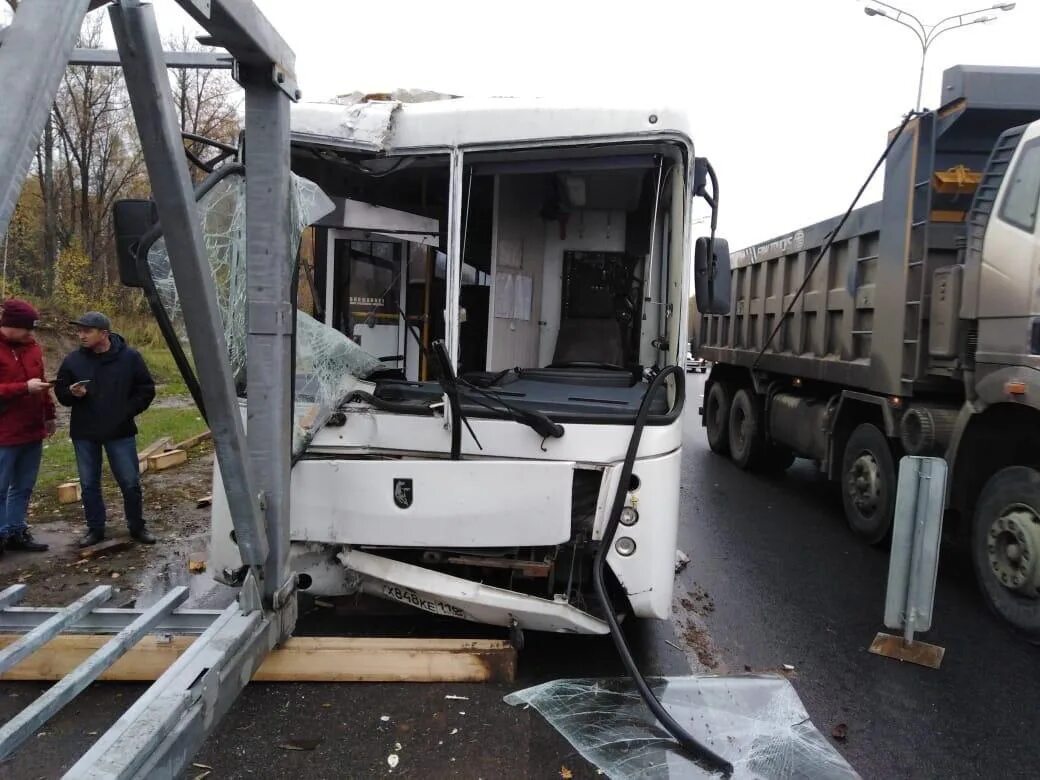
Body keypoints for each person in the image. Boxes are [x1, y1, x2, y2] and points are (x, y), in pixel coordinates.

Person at [55, 311, 157, 548]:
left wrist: (125, 412)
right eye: (79, 331)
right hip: (85, 432)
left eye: (86, 331)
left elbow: (146, 389)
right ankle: (95, 529)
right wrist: (72, 393)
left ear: (104, 333)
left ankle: (137, 526)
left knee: (130, 482)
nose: (81, 335)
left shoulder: (130, 358)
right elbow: (61, 394)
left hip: (120, 431)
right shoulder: (73, 361)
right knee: (89, 483)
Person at [0, 299, 55, 554]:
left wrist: (49, 414)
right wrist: (23, 388)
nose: (31, 334)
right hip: (4, 432)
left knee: (23, 485)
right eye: (26, 328)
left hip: (32, 429)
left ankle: (16, 531)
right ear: (10, 325)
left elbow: (41, 381)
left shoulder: (32, 348)